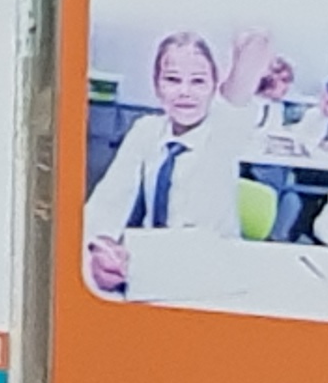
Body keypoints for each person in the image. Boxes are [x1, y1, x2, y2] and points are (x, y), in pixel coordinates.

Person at [84, 32, 256, 294]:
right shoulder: (146, 130)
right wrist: (103, 248)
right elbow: (108, 200)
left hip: (213, 269)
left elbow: (257, 47)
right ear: (157, 87)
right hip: (152, 263)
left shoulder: (224, 129)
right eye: (172, 80)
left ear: (214, 87)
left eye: (198, 81)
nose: (185, 92)